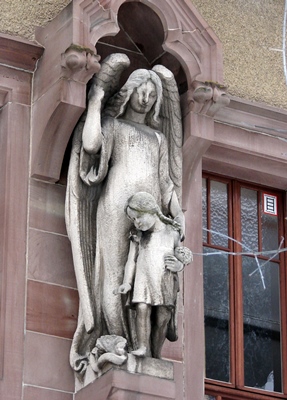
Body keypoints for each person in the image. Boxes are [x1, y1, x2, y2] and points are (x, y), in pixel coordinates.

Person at [66, 57, 185, 373]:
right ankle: (114, 336)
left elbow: (166, 184)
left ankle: (141, 346)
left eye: (151, 94)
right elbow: (90, 144)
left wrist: (177, 216)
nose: (145, 98)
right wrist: (95, 103)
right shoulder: (114, 125)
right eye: (141, 91)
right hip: (116, 205)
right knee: (117, 273)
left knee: (149, 276)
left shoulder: (158, 138)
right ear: (129, 92)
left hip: (152, 211)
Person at [116, 192, 191, 359]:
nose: (137, 222)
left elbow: (181, 256)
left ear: (151, 211)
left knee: (163, 316)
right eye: (133, 220)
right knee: (142, 308)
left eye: (138, 217)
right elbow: (131, 261)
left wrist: (179, 265)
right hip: (143, 276)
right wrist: (127, 282)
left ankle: (156, 354)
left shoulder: (172, 232)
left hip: (164, 278)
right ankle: (142, 346)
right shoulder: (138, 236)